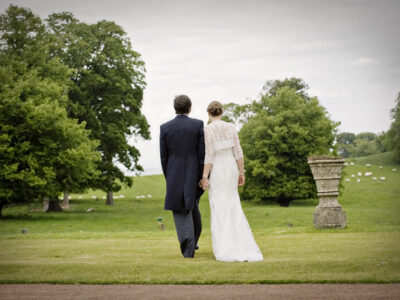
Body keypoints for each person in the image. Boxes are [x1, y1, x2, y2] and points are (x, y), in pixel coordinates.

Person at [199, 101, 263, 262]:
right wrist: (241, 172)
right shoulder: (231, 127)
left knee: (219, 205)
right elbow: (238, 152)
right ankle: (239, 244)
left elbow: (209, 155)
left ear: (208, 113)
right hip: (231, 167)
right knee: (233, 204)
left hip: (219, 168)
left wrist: (205, 176)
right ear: (221, 112)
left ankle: (224, 246)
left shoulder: (208, 129)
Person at [159, 95, 205, 258]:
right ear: (189, 108)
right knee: (192, 206)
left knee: (181, 211)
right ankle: (194, 241)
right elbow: (202, 154)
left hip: (174, 172)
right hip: (194, 172)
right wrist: (202, 176)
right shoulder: (198, 125)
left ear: (175, 108)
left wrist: (169, 175)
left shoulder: (165, 128)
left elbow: (163, 157)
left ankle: (188, 250)